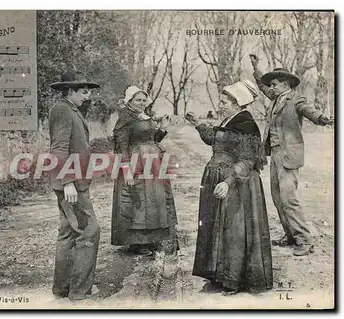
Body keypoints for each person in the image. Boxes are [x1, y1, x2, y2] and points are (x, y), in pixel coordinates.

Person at [186, 80, 273, 295]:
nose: (221, 105)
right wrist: (198, 123)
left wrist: (227, 182)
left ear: (237, 103)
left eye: (224, 102)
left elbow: (247, 159)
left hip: (237, 184)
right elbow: (216, 141)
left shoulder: (246, 124)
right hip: (219, 180)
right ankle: (220, 274)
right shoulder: (230, 119)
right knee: (218, 230)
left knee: (234, 231)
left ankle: (234, 280)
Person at [249, 54, 333, 256]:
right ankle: (290, 236)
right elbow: (262, 86)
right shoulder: (276, 98)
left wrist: (324, 119)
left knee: (289, 199)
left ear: (285, 84)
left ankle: (305, 240)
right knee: (278, 198)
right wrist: (256, 67)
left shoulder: (296, 99)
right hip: (275, 155)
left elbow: (309, 111)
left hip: (289, 156)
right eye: (271, 85)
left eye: (275, 84)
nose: (272, 87)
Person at [48, 71, 101, 301]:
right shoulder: (63, 110)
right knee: (90, 230)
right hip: (71, 182)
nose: (87, 95)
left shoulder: (71, 108)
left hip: (75, 180)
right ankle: (80, 290)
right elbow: (59, 148)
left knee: (69, 232)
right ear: (69, 91)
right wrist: (68, 181)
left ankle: (62, 288)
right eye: (83, 91)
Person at [111, 85, 178, 256]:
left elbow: (153, 139)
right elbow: (121, 146)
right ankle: (137, 243)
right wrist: (126, 168)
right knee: (138, 200)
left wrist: (163, 128)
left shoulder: (144, 116)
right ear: (129, 101)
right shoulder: (124, 119)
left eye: (143, 100)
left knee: (153, 200)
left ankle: (152, 239)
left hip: (152, 163)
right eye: (138, 100)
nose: (141, 103)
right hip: (136, 163)